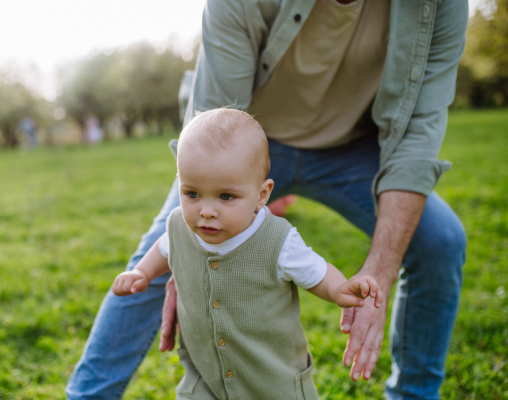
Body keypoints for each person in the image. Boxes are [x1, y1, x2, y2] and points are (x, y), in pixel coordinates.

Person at [66, 0, 468, 399]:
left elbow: (418, 140)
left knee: (440, 240)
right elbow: (209, 125)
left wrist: (377, 273)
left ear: (264, 195)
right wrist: (192, 261)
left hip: (353, 150)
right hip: (245, 144)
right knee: (154, 252)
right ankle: (88, 395)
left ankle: (414, 394)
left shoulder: (440, 6)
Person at [112, 109, 382, 399]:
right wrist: (142, 272)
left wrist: (339, 289)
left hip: (273, 382)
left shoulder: (278, 240)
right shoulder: (180, 225)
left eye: (226, 196)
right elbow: (165, 248)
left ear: (262, 195)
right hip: (205, 379)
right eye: (191, 194)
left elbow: (317, 272)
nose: (206, 211)